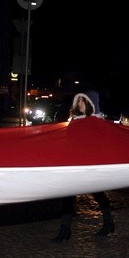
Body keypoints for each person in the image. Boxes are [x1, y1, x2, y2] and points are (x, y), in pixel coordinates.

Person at [51, 91, 115, 242]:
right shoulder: (74, 121)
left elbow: (99, 143)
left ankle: (108, 223)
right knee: (68, 196)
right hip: (75, 164)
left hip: (90, 165)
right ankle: (64, 230)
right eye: (78, 100)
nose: (79, 103)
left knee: (98, 194)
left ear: (89, 104)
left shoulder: (97, 122)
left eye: (82, 101)